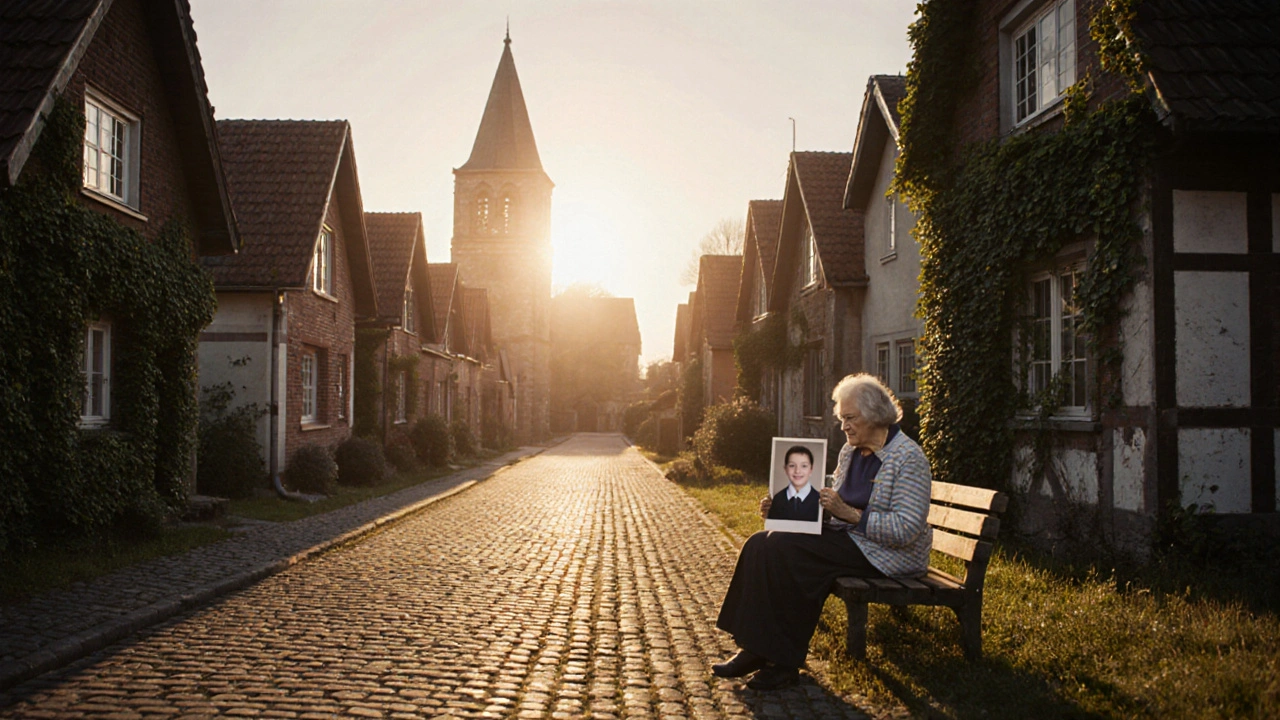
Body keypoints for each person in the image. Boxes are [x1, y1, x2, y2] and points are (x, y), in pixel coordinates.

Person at [713, 373, 933, 690]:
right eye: (841, 418)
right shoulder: (850, 451)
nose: (844, 426)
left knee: (786, 550)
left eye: (850, 418)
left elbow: (907, 530)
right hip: (853, 540)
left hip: (887, 554)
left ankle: (783, 662)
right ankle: (755, 648)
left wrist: (851, 515)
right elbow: (829, 505)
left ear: (875, 415)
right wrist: (783, 508)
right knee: (761, 543)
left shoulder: (908, 458)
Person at [766, 445, 820, 522]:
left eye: (804, 466)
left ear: (811, 469)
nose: (797, 471)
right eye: (792, 466)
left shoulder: (819, 500)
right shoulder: (778, 499)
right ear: (785, 469)